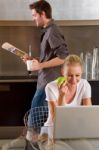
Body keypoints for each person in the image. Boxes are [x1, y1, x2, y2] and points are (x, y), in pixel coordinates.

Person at [22, 0, 69, 141]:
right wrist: (35, 60)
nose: (33, 18)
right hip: (45, 82)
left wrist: (40, 66)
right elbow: (51, 57)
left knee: (34, 124)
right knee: (41, 122)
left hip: (48, 84)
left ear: (42, 14)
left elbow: (64, 57)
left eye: (34, 15)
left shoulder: (53, 31)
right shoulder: (48, 31)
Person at [44, 54, 92, 130]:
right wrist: (62, 95)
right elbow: (56, 120)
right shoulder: (50, 87)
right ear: (63, 72)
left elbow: (89, 113)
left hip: (75, 127)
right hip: (52, 128)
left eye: (77, 75)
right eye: (70, 75)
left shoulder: (84, 84)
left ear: (81, 72)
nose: (74, 80)